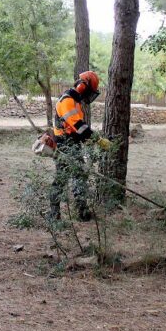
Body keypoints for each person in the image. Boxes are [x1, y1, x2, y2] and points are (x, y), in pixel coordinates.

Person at [49, 70, 111, 221]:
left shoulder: (75, 102)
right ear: (83, 87)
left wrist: (89, 140)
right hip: (64, 146)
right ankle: (53, 214)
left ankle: (82, 213)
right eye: (89, 91)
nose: (89, 95)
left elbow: (78, 130)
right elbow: (80, 126)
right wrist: (98, 139)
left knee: (79, 177)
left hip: (73, 144)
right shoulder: (67, 101)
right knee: (61, 179)